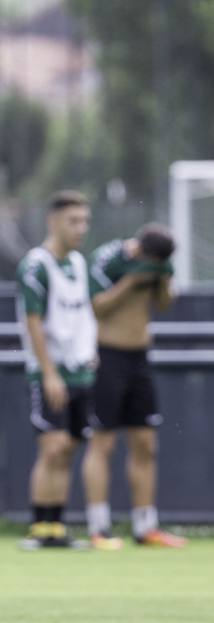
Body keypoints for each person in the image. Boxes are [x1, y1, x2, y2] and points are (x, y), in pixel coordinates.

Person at [81, 224, 187, 549]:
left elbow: (165, 304)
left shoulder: (158, 266)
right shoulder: (109, 258)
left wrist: (161, 280)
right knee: (104, 444)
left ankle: (146, 526)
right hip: (107, 356)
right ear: (139, 248)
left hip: (140, 358)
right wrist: (132, 281)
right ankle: (99, 527)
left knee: (145, 443)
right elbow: (98, 306)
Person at [16, 191, 95, 550]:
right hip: (51, 371)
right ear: (53, 222)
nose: (81, 228)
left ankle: (57, 526)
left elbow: (82, 314)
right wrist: (48, 372)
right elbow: (33, 321)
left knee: (69, 449)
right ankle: (39, 527)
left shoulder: (78, 263)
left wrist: (89, 351)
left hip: (80, 372)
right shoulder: (36, 265)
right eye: (73, 221)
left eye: (84, 221)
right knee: (52, 446)